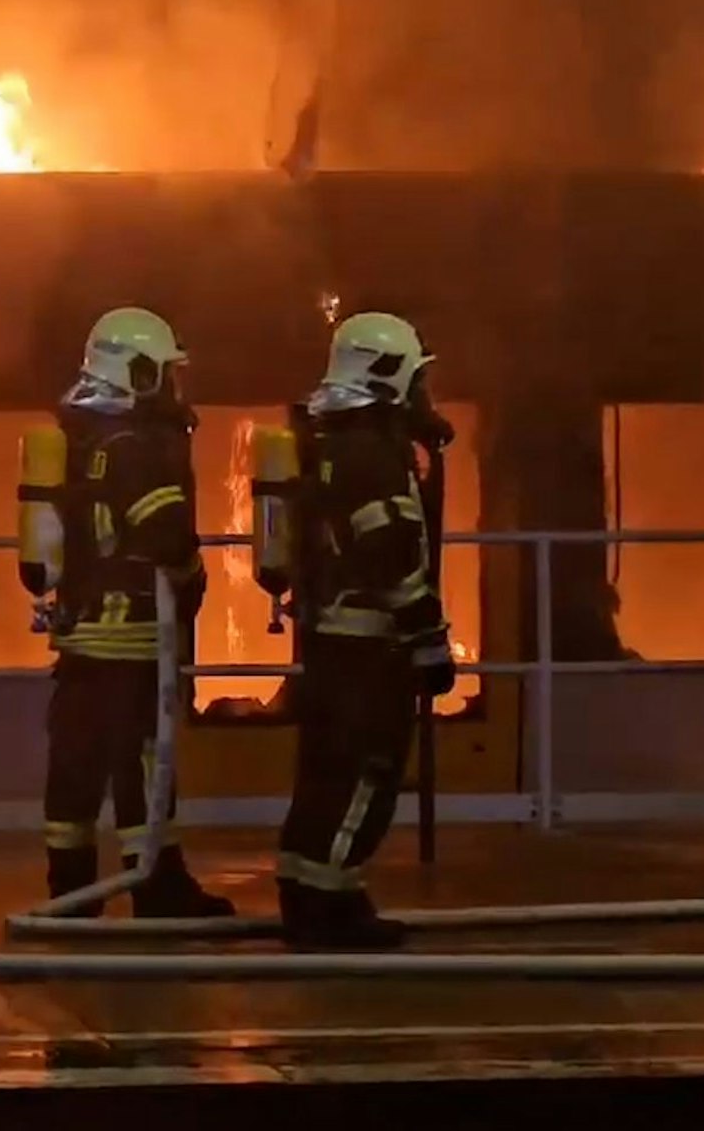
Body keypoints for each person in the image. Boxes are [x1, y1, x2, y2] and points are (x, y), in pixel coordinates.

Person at [42, 307, 234, 918]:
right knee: (145, 765)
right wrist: (193, 579)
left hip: (79, 639)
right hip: (134, 638)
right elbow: (167, 534)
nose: (174, 385)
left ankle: (71, 891)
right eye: (165, 371)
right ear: (140, 371)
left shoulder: (78, 436)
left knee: (75, 767)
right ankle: (157, 885)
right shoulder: (139, 446)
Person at [277, 312, 456, 949]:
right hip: (370, 648)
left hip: (331, 642)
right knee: (366, 774)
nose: (422, 396)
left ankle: (317, 891)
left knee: (325, 774)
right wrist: (427, 637)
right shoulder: (375, 454)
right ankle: (325, 908)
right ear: (386, 377)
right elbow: (392, 552)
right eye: (415, 381)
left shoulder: (330, 443)